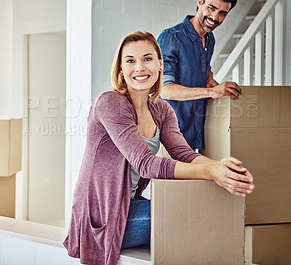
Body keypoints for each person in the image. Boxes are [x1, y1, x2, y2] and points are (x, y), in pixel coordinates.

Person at [63, 31, 254, 265]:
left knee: (199, 202)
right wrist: (210, 172)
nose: (139, 68)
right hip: (102, 216)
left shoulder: (161, 110)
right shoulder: (110, 103)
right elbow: (146, 164)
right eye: (130, 61)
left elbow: (184, 154)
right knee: (190, 210)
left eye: (147, 59)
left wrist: (219, 166)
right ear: (121, 69)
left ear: (160, 64)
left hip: (130, 204)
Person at [157, 0, 243, 150]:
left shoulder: (210, 39)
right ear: (200, 2)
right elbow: (165, 89)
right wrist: (211, 92)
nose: (215, 17)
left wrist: (209, 78)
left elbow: (203, 68)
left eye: (222, 13)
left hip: (194, 134)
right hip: (169, 136)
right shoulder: (171, 37)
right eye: (211, 8)